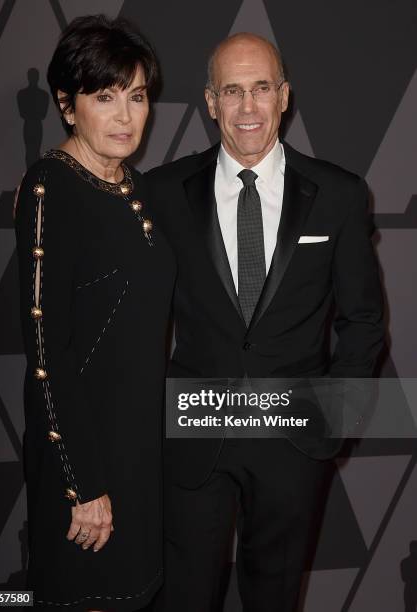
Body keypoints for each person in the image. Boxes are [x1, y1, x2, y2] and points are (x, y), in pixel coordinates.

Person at [146, 33, 384, 611]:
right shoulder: (160, 194)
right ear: (210, 101)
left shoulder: (339, 195)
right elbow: (133, 322)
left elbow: (364, 320)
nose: (247, 108)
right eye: (232, 91)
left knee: (274, 600)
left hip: (293, 440)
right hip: (194, 433)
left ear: (283, 96)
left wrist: (334, 420)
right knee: (183, 599)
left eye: (260, 89)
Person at [15, 15, 175, 611]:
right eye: (104, 97)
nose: (126, 116)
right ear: (66, 103)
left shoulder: (133, 185)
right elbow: (45, 350)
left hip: (137, 446)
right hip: (84, 457)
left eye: (136, 97)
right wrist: (82, 485)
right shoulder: (48, 188)